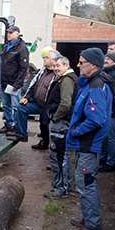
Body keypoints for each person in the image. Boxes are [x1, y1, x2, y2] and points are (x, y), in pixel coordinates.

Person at [66, 47, 112, 230]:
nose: (78, 65)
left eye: (81, 62)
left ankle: (93, 228)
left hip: (88, 146)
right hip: (86, 145)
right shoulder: (90, 84)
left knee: (86, 185)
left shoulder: (96, 87)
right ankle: (88, 218)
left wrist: (75, 131)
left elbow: (96, 119)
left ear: (92, 65)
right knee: (86, 184)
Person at [43, 53, 78, 199]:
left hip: (61, 123)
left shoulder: (67, 80)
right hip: (61, 122)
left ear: (66, 65)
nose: (56, 68)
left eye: (59, 66)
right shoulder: (64, 78)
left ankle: (60, 189)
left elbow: (65, 104)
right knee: (62, 155)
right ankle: (66, 184)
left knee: (58, 156)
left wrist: (55, 118)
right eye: (55, 66)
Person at [7, 47, 56, 150]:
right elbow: (33, 85)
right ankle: (21, 134)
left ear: (54, 60)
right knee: (21, 107)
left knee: (44, 126)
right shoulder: (43, 71)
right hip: (38, 104)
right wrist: (27, 98)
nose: (44, 59)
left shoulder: (57, 74)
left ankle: (45, 143)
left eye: (47, 58)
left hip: (48, 107)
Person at [0, 25, 29, 136]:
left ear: (17, 33)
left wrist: (17, 83)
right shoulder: (5, 46)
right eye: (8, 32)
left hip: (13, 83)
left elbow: (23, 68)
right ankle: (9, 124)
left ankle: (16, 126)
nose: (9, 34)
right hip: (4, 82)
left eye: (11, 33)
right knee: (6, 105)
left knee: (16, 106)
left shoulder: (21, 48)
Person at [99, 52, 115, 172]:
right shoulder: (108, 72)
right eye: (105, 58)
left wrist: (109, 108)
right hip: (106, 111)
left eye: (108, 59)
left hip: (111, 112)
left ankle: (111, 163)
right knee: (105, 136)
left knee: (111, 138)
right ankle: (104, 158)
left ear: (114, 61)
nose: (105, 60)